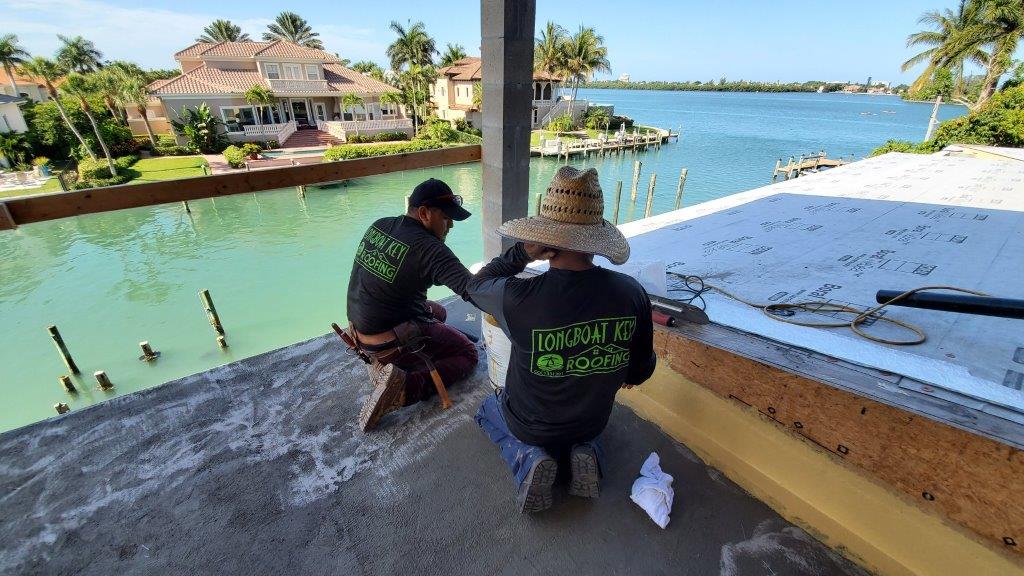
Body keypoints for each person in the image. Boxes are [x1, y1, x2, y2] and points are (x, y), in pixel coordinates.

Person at [467, 166, 657, 513]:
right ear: (596, 242)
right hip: (592, 420)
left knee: (487, 408)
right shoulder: (632, 294)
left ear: (546, 241)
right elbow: (640, 372)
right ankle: (587, 451)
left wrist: (521, 253)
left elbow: (475, 285)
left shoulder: (518, 298)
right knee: (585, 429)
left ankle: (530, 458)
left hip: (530, 424)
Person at [347, 178, 479, 431]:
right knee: (467, 353)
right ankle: (405, 388)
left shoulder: (381, 225)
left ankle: (385, 366)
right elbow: (474, 291)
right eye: (447, 218)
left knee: (439, 312)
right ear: (424, 213)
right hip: (388, 340)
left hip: (360, 333)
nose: (450, 225)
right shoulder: (429, 248)